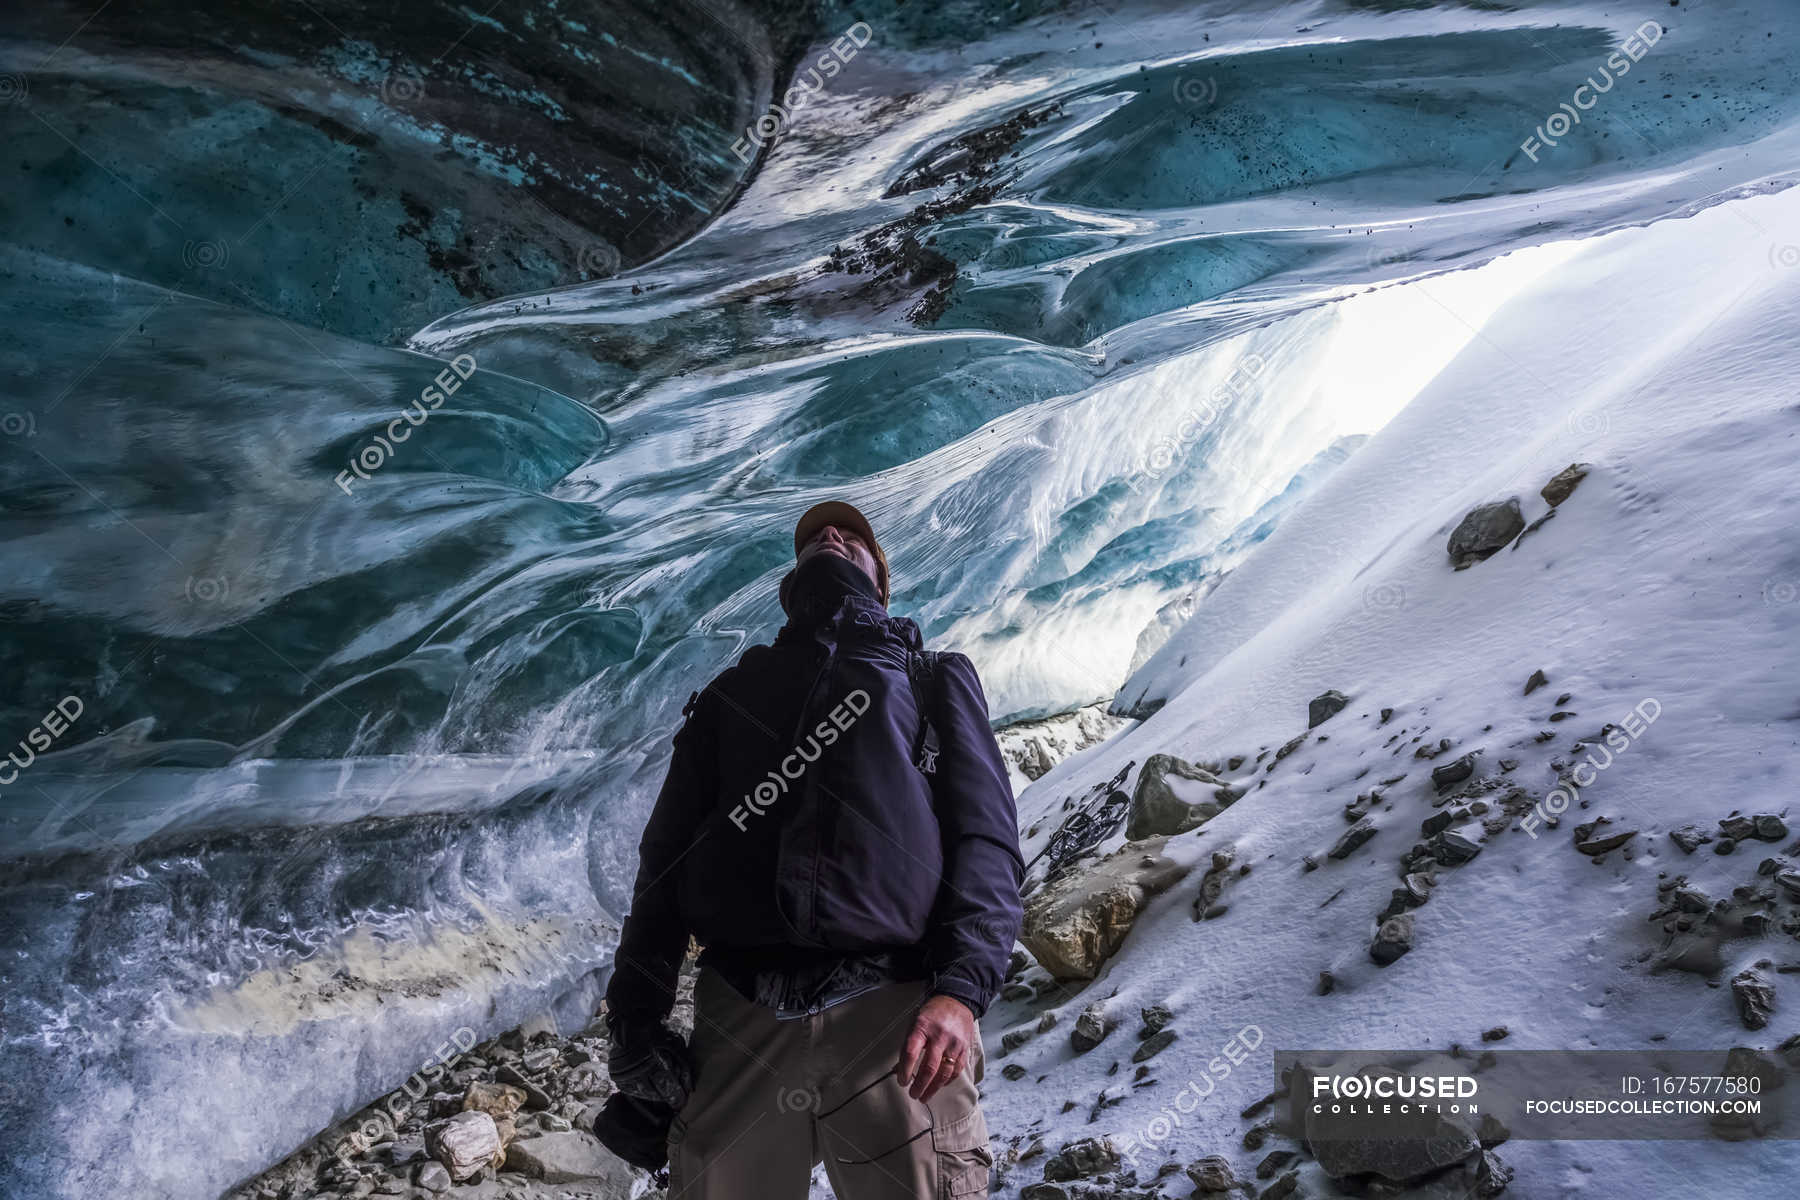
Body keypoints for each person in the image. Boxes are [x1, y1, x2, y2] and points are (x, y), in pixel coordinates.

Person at [600, 500, 1024, 1199]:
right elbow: (665, 860)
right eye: (817, 537)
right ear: (787, 585)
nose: (832, 535)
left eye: (853, 535)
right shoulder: (728, 696)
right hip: (741, 1014)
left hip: (897, 1012)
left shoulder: (932, 676)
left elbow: (987, 838)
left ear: (881, 581)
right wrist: (636, 1017)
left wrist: (961, 991)